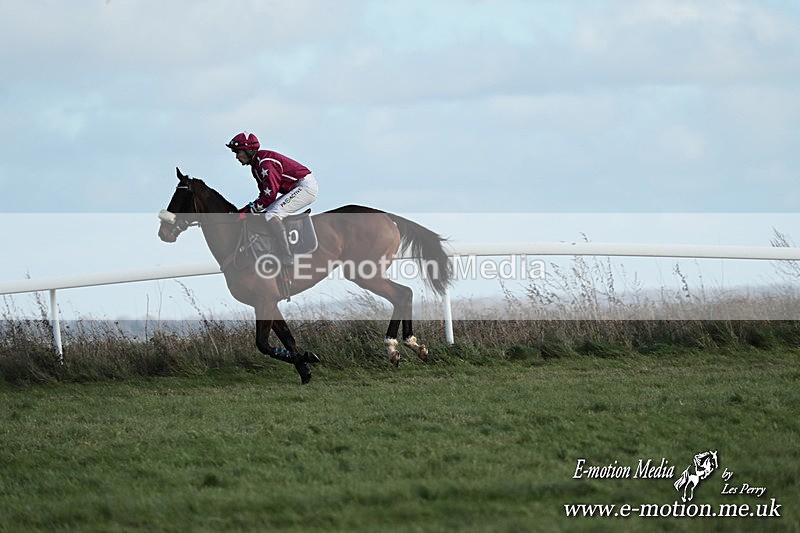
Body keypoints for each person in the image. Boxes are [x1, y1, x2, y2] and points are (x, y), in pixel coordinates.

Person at [226, 131, 319, 297]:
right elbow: (264, 195)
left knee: (271, 214)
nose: (236, 157)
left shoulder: (265, 163)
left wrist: (245, 212)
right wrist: (248, 211)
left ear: (248, 151)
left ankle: (286, 256)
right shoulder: (256, 165)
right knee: (267, 213)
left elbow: (269, 196)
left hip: (305, 187)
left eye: (238, 152)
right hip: (296, 187)